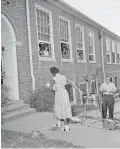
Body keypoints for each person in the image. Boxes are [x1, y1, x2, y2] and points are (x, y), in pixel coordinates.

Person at [49, 67, 73, 132]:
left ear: (52, 73)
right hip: (65, 93)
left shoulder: (53, 79)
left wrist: (53, 87)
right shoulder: (63, 76)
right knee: (64, 107)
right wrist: (78, 90)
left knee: (60, 108)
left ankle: (66, 127)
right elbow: (71, 83)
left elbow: (51, 88)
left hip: (59, 94)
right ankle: (58, 123)